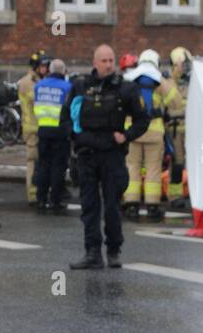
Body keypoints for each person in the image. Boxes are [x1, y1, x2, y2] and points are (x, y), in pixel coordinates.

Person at [61, 45, 148, 270]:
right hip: (86, 154)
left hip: (112, 154)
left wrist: (126, 136)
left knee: (112, 206)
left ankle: (113, 250)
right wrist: (74, 136)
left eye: (111, 60)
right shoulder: (80, 86)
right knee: (89, 206)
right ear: (95, 63)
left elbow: (142, 119)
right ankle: (92, 252)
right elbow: (65, 117)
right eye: (104, 61)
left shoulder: (125, 89)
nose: (108, 65)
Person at [122, 48, 182, 223]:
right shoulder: (159, 81)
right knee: (153, 170)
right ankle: (152, 206)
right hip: (154, 132)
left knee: (132, 166)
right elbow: (176, 102)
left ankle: (131, 204)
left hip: (132, 131)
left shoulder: (130, 78)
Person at [33, 57, 72, 215]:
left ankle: (41, 199)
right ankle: (55, 200)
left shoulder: (39, 86)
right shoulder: (68, 87)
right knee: (58, 167)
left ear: (49, 70)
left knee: (43, 165)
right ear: (63, 71)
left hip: (43, 129)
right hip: (60, 131)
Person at [17, 50, 49, 205]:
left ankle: (41, 190)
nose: (46, 69)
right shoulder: (27, 82)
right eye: (43, 66)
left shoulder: (41, 80)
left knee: (43, 161)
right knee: (33, 161)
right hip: (32, 129)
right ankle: (33, 194)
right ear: (35, 67)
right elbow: (38, 99)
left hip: (43, 127)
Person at [166, 46, 191, 211]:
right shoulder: (167, 85)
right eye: (183, 65)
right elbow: (165, 109)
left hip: (191, 131)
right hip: (175, 131)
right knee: (177, 164)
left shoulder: (193, 83)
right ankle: (175, 196)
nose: (186, 70)